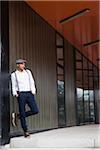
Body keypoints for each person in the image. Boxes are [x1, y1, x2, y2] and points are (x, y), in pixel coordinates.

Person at [11, 59, 39, 137]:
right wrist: (15, 93)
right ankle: (25, 131)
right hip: (21, 94)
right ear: (18, 65)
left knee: (35, 110)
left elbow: (31, 81)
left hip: (29, 93)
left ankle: (18, 116)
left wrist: (33, 91)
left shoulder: (28, 72)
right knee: (22, 111)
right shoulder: (14, 74)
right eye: (22, 64)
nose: (23, 65)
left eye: (24, 64)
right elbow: (14, 85)